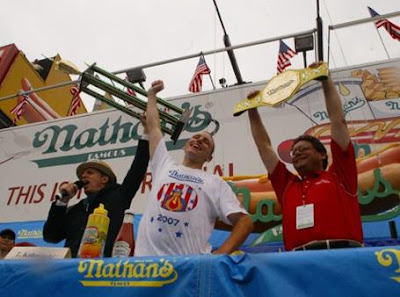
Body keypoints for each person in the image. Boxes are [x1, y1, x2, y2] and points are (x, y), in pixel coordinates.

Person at [248, 64, 363, 251]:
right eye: (294, 152)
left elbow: (338, 120)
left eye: (303, 149)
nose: (297, 154)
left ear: (322, 154)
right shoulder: (286, 185)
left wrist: (326, 80)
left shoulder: (341, 176)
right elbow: (264, 147)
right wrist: (252, 110)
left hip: (342, 255)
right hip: (298, 262)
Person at [135, 80, 253, 256]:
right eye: (196, 137)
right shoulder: (164, 164)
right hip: (145, 266)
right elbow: (153, 126)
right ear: (185, 145)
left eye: (206, 141)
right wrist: (151, 95)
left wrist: (219, 256)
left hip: (187, 271)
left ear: (209, 157)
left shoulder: (215, 183)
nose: (199, 140)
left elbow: (245, 222)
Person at [43, 118, 150, 257]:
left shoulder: (119, 196)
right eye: (82, 175)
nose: (84, 177)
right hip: (72, 271)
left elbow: (138, 168)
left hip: (103, 271)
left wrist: (147, 132)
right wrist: (61, 203)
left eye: (90, 173)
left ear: (104, 179)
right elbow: (51, 236)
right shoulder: (75, 210)